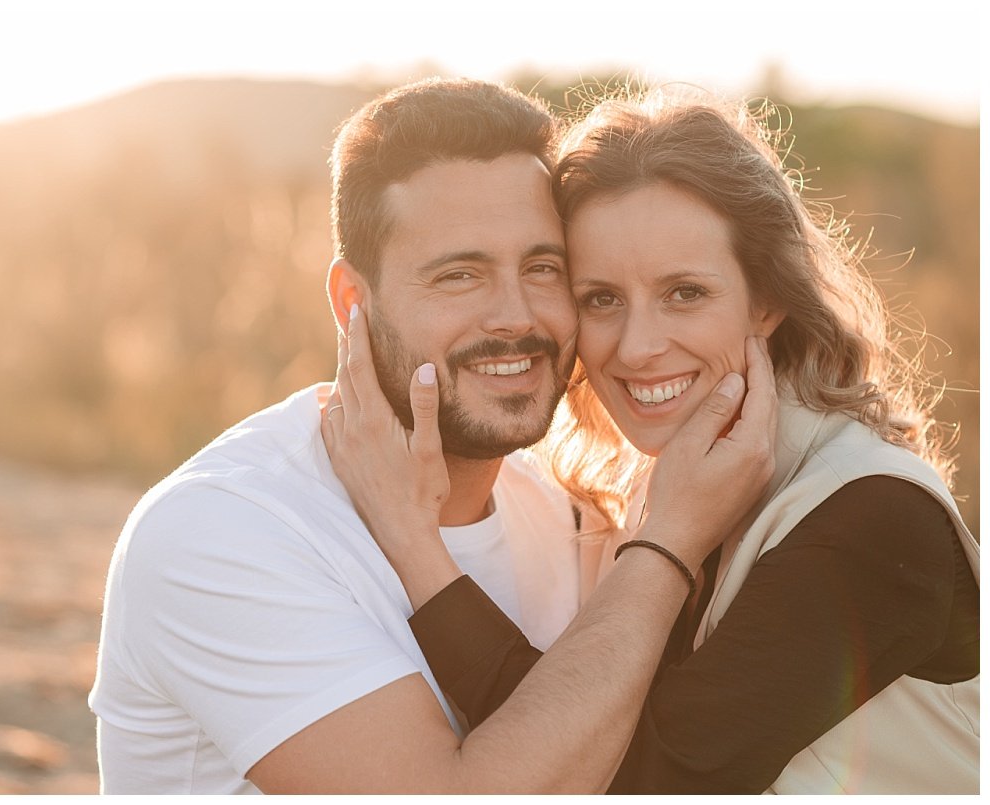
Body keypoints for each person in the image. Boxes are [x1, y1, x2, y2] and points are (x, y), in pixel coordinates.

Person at [88, 78, 778, 794]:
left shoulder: (555, 514)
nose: (515, 316)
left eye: (543, 267)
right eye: (460, 275)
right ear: (353, 301)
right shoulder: (222, 530)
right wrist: (668, 538)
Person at [323, 86, 979, 794]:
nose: (637, 348)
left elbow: (634, 775)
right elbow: (572, 721)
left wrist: (413, 542)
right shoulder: (667, 490)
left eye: (684, 293)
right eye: (601, 298)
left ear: (766, 299)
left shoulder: (873, 519)